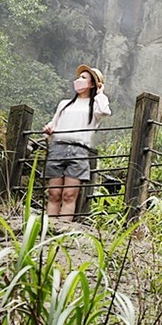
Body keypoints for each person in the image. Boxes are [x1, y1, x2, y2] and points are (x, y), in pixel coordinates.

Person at [41, 64, 110, 221]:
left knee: (69, 195)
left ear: (92, 84)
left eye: (84, 78)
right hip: (58, 148)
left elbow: (105, 111)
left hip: (79, 151)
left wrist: (100, 92)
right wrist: (49, 128)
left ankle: (62, 233)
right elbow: (54, 123)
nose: (79, 80)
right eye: (79, 77)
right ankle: (49, 229)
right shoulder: (64, 103)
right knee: (54, 193)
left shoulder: (96, 106)